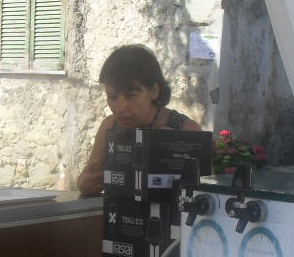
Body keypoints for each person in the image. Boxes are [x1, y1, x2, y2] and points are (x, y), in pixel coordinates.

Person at [76, 44, 201, 196]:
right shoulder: (109, 126)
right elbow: (87, 179)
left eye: (131, 95)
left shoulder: (186, 131)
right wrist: (85, 183)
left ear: (154, 91)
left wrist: (173, 150)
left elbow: (202, 195)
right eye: (112, 97)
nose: (120, 108)